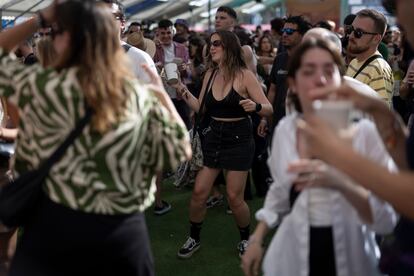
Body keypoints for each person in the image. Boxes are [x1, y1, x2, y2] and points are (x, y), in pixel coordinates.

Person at [0, 1, 191, 275]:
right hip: (121, 233)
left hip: (53, 227)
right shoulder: (136, 98)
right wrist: (161, 94)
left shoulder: (45, 91)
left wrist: (41, 17)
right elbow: (180, 150)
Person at [241, 38, 397, 276]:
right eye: (309, 71)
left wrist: (341, 182)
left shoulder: (364, 132)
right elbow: (282, 190)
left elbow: (385, 221)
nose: (321, 79)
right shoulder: (287, 130)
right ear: (293, 82)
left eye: (329, 70)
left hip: (353, 258)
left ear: (341, 79)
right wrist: (257, 237)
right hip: (295, 256)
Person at [174, 30, 272, 258]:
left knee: (235, 197)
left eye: (217, 43)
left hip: (239, 138)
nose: (212, 47)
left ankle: (246, 239)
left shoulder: (245, 75)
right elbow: (200, 108)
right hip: (213, 136)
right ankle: (194, 237)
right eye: (211, 44)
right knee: (199, 192)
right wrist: (180, 87)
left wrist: (256, 108)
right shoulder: (210, 74)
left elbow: (269, 107)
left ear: (229, 46)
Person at [345, 9, 394, 106]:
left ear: (376, 39)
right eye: (350, 30)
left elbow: (381, 115)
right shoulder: (354, 62)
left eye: (359, 33)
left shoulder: (378, 70)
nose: (351, 36)